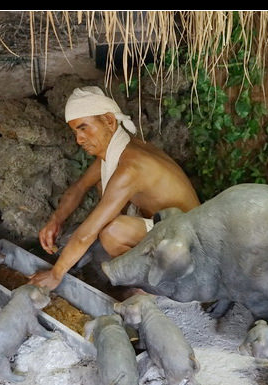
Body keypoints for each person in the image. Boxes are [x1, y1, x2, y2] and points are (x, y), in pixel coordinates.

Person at [28, 86, 200, 292]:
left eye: (83, 128)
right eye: (75, 131)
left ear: (109, 121)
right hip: (167, 225)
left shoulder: (130, 166)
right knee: (102, 183)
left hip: (191, 242)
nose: (79, 139)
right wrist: (55, 220)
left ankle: (155, 288)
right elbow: (80, 187)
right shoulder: (118, 150)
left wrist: (56, 274)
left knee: (112, 233)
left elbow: (86, 234)